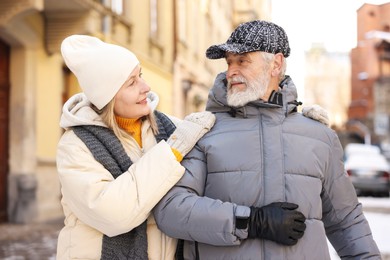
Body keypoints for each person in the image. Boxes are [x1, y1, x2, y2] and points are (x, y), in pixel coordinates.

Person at [154, 20, 381, 259]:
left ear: (276, 64)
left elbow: (347, 222)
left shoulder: (319, 137)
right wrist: (251, 221)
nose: (231, 71)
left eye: (242, 61)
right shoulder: (205, 131)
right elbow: (171, 210)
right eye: (229, 62)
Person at [55, 35, 216, 260]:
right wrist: (172, 152)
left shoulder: (170, 128)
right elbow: (113, 215)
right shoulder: (75, 146)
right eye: (131, 82)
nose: (145, 87)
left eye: (140, 75)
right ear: (107, 97)